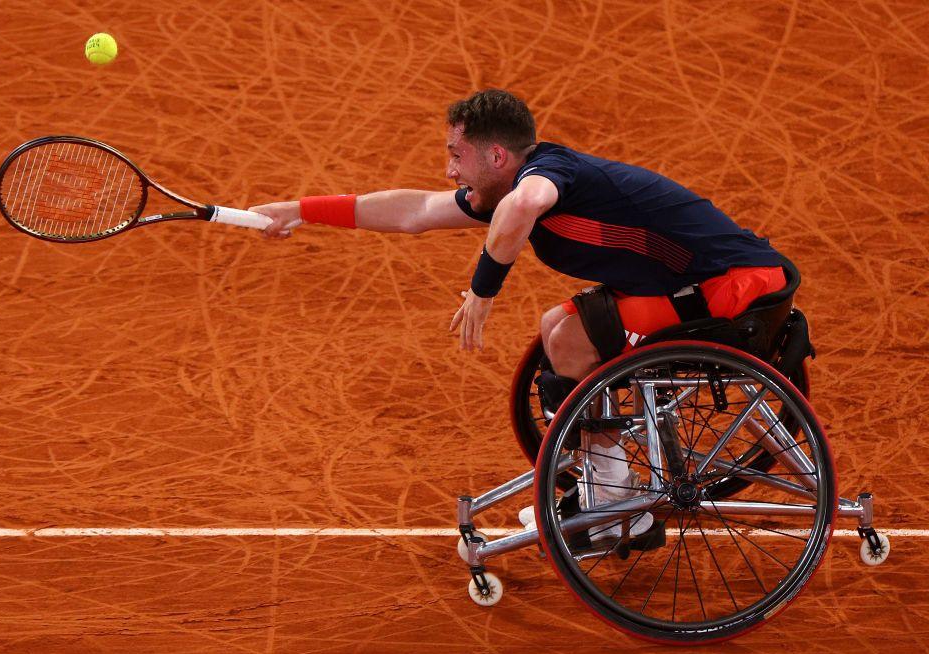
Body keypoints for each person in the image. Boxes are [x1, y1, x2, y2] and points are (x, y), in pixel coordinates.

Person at [249, 89, 791, 539]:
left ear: (497, 158)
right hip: (690, 287)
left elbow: (523, 208)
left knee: (575, 339)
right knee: (557, 328)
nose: (448, 168)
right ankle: (608, 488)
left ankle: (615, 504)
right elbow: (413, 210)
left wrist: (483, 290)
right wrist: (300, 211)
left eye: (456, 155)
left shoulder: (545, 175)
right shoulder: (505, 186)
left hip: (732, 289)